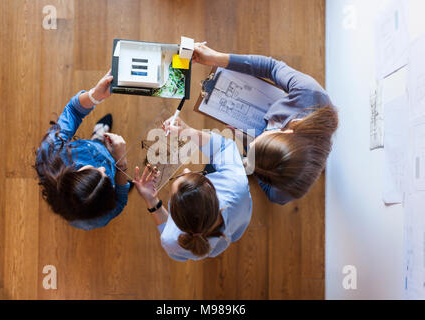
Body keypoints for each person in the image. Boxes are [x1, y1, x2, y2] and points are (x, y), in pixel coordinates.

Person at [192, 44, 339, 205]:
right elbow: (271, 67)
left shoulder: (282, 192)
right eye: (260, 138)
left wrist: (247, 144)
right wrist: (216, 58)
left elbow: (271, 193)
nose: (261, 134)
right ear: (287, 132)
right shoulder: (309, 93)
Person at [133, 119, 252, 261]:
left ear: (175, 217)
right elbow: (223, 147)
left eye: (181, 176)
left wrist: (151, 200)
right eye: (189, 175)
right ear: (211, 190)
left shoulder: (171, 240)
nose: (186, 169)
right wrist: (190, 132)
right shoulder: (236, 183)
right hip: (238, 222)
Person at [34, 70, 132, 230]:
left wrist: (94, 95)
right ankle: (99, 138)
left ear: (71, 178)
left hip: (88, 149)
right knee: (123, 182)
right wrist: (120, 163)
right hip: (108, 169)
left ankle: (97, 138)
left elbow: (73, 110)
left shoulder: (49, 156)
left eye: (94, 170)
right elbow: (120, 202)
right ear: (105, 204)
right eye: (106, 176)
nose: (103, 167)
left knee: (98, 145)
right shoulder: (100, 218)